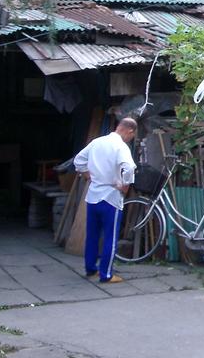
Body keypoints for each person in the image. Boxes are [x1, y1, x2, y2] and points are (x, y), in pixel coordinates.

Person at [73, 117, 137, 283]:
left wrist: (87, 174)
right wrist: (125, 185)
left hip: (93, 196)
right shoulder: (121, 146)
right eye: (132, 136)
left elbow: (78, 160)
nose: (131, 139)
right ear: (130, 131)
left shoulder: (97, 142)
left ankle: (90, 269)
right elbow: (129, 167)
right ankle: (106, 274)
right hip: (111, 197)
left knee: (92, 235)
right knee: (110, 237)